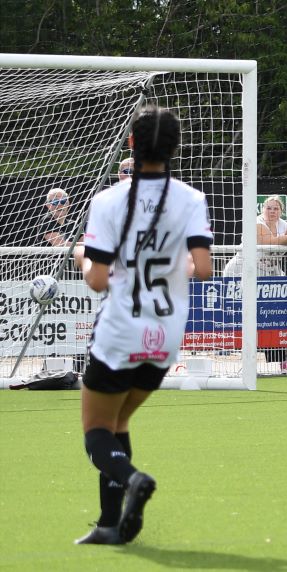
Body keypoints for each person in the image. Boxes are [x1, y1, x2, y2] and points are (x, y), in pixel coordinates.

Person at [71, 105, 214, 544]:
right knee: (119, 426)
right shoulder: (190, 199)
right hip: (166, 334)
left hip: (120, 330)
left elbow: (97, 281)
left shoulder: (108, 201)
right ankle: (111, 525)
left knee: (97, 433)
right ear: (175, 149)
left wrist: (79, 254)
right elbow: (204, 268)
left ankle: (132, 479)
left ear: (131, 145)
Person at [223, 195, 287, 372]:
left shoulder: (283, 225)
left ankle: (283, 360)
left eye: (276, 208)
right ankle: (263, 362)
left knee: (269, 317)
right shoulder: (257, 223)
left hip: (266, 276)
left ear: (281, 211)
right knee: (255, 318)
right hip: (243, 274)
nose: (272, 211)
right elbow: (271, 242)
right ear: (262, 209)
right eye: (269, 208)